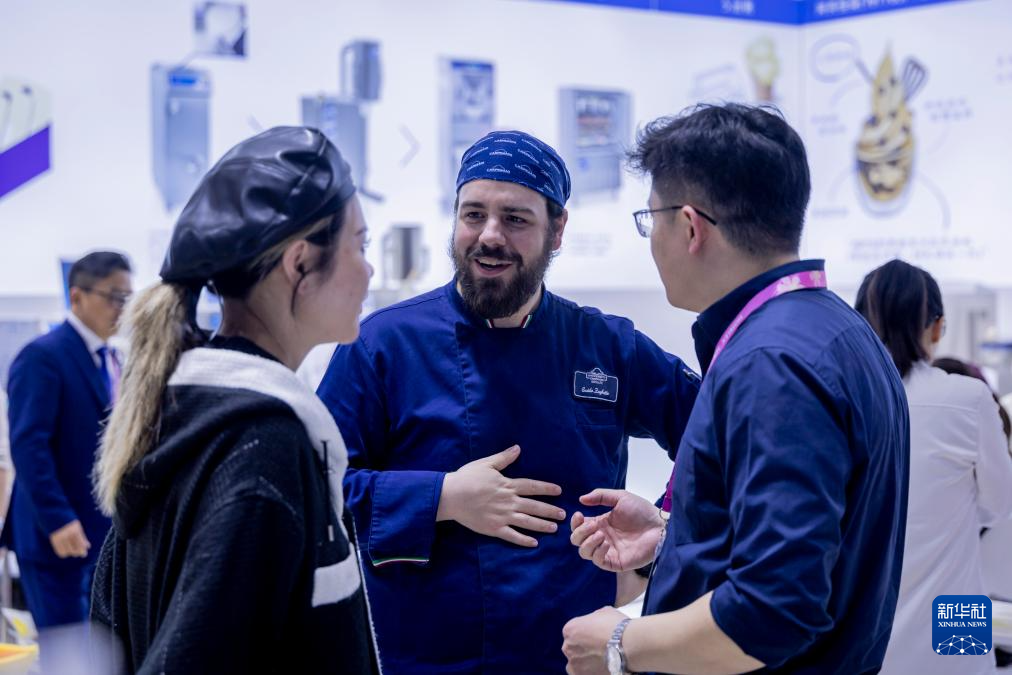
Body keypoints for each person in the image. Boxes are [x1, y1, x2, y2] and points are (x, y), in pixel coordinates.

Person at [317, 129, 700, 673]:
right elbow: (316, 492)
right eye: (473, 215)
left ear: (557, 230)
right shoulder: (383, 345)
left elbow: (718, 434)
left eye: (515, 219)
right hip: (422, 662)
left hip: (567, 660)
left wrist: (661, 533)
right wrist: (443, 498)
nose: (489, 236)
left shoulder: (607, 347)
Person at [563, 104, 909, 674]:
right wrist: (673, 537)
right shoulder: (839, 331)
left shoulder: (771, 365)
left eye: (650, 220)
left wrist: (621, 643)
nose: (651, 241)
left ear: (690, 227)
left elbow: (773, 611)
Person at [90, 127, 377, 673]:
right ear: (300, 263)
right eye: (360, 246)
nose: (369, 269)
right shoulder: (265, 450)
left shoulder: (177, 416)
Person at [856, 259, 1012, 675]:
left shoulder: (844, 397)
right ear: (938, 327)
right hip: (957, 612)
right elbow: (1000, 505)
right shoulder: (969, 398)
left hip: (865, 630)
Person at [1, 251, 131, 634]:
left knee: (96, 643)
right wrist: (58, 520)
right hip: (54, 534)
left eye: (127, 297)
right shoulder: (43, 357)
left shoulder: (110, 358)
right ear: (77, 297)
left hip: (96, 528)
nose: (122, 308)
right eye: (113, 297)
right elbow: (29, 446)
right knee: (67, 648)